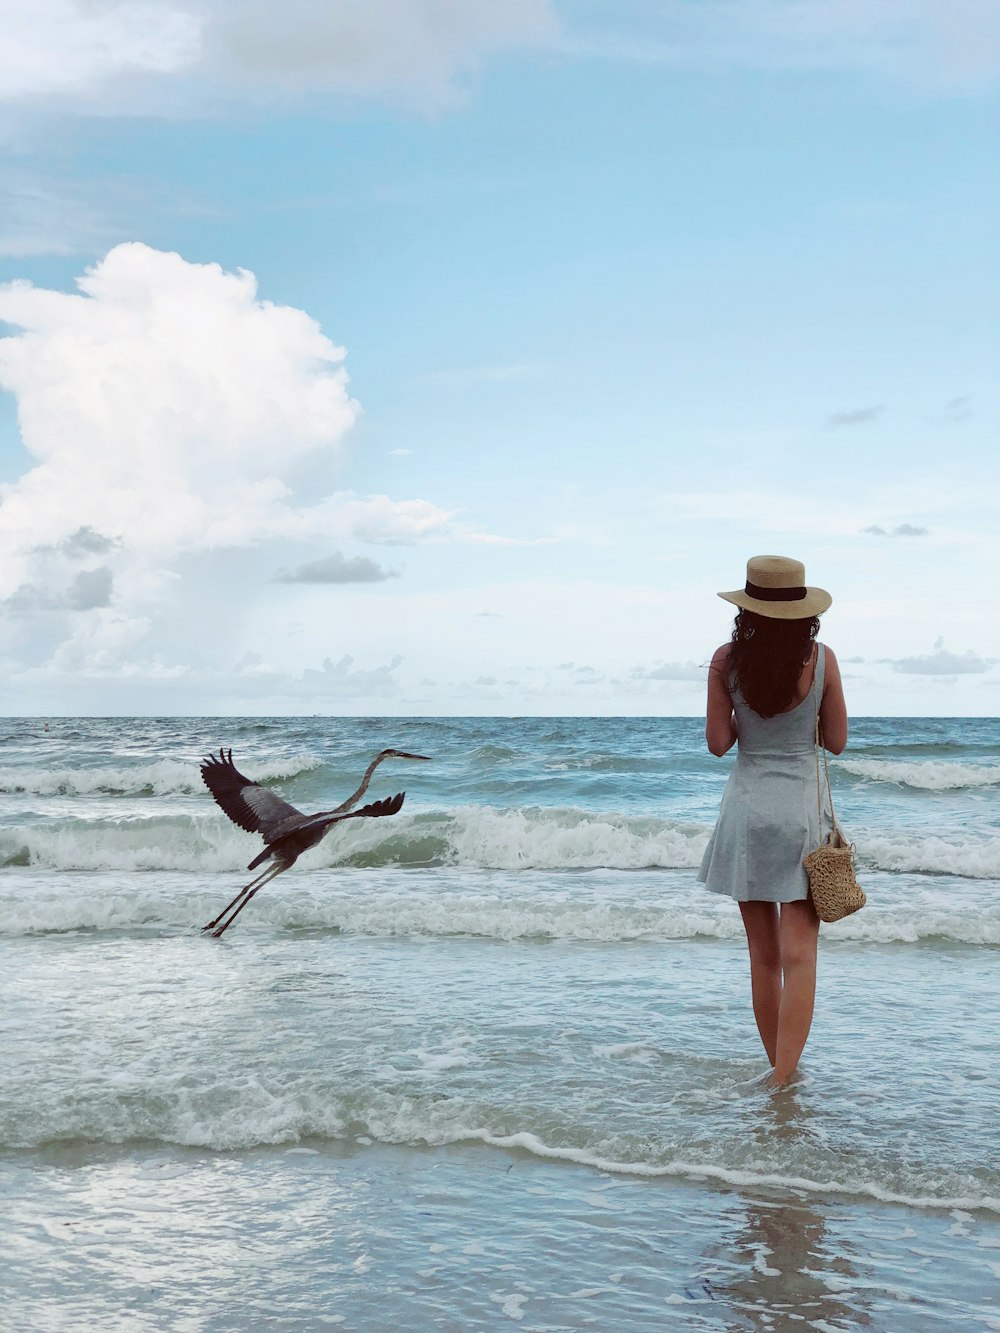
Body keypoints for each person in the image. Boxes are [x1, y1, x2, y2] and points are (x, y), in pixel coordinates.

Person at [698, 555, 848, 1085]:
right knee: (800, 957)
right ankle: (786, 1077)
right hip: (802, 815)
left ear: (747, 607)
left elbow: (719, 744)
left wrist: (746, 713)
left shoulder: (725, 660)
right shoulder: (823, 659)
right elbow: (835, 741)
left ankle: (775, 1073)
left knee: (763, 958)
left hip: (748, 813)